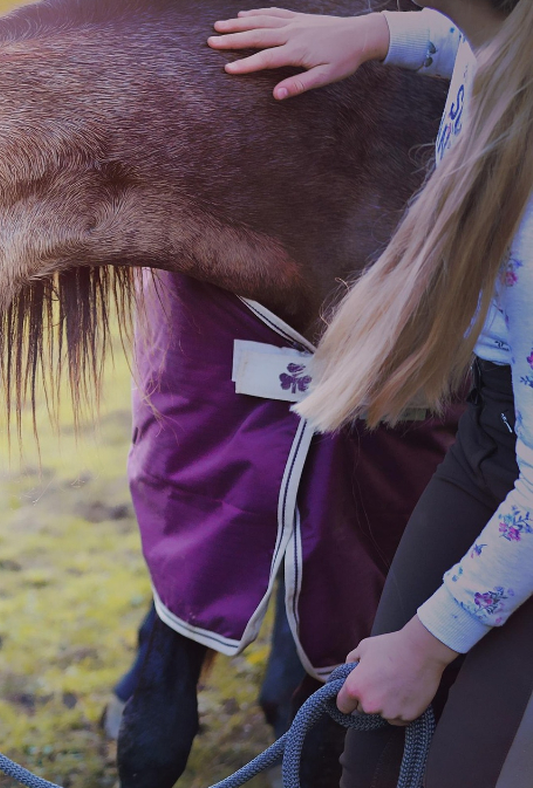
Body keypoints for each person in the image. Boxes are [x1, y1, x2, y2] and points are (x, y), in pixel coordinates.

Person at [208, 2, 533, 786]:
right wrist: (376, 33)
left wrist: (426, 645)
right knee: (373, 745)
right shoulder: (498, 40)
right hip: (493, 440)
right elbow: (477, 36)